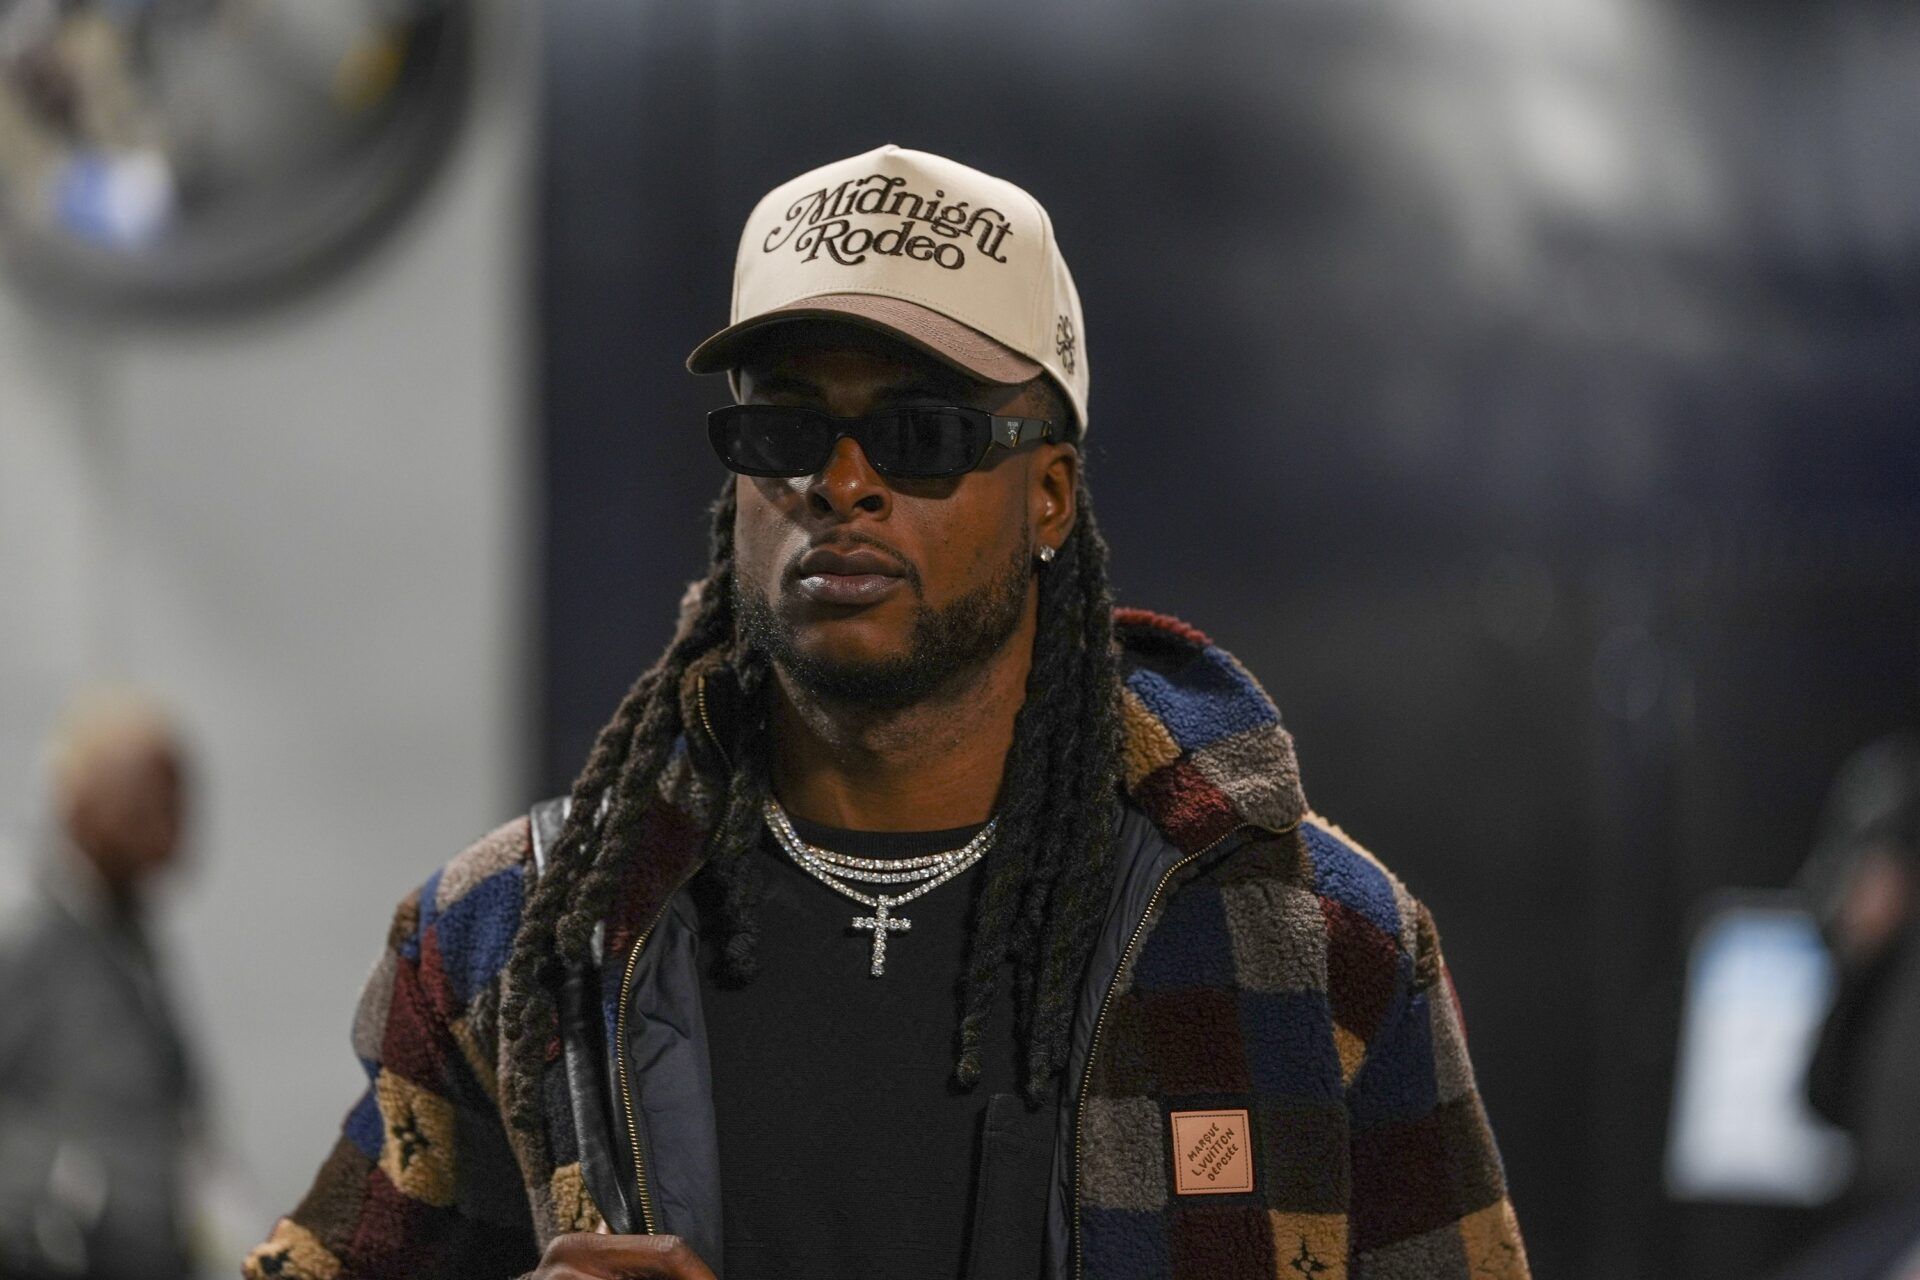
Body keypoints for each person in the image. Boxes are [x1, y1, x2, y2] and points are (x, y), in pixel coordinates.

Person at [245, 145, 1529, 1280]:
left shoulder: (1306, 942)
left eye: (919, 434)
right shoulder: (527, 932)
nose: (840, 483)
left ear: (1050, 496)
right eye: (787, 430)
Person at [0, 690, 199, 1280]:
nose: (175, 831)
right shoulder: (27, 931)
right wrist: (58, 1199)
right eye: (154, 804)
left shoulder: (125, 932)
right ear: (82, 799)